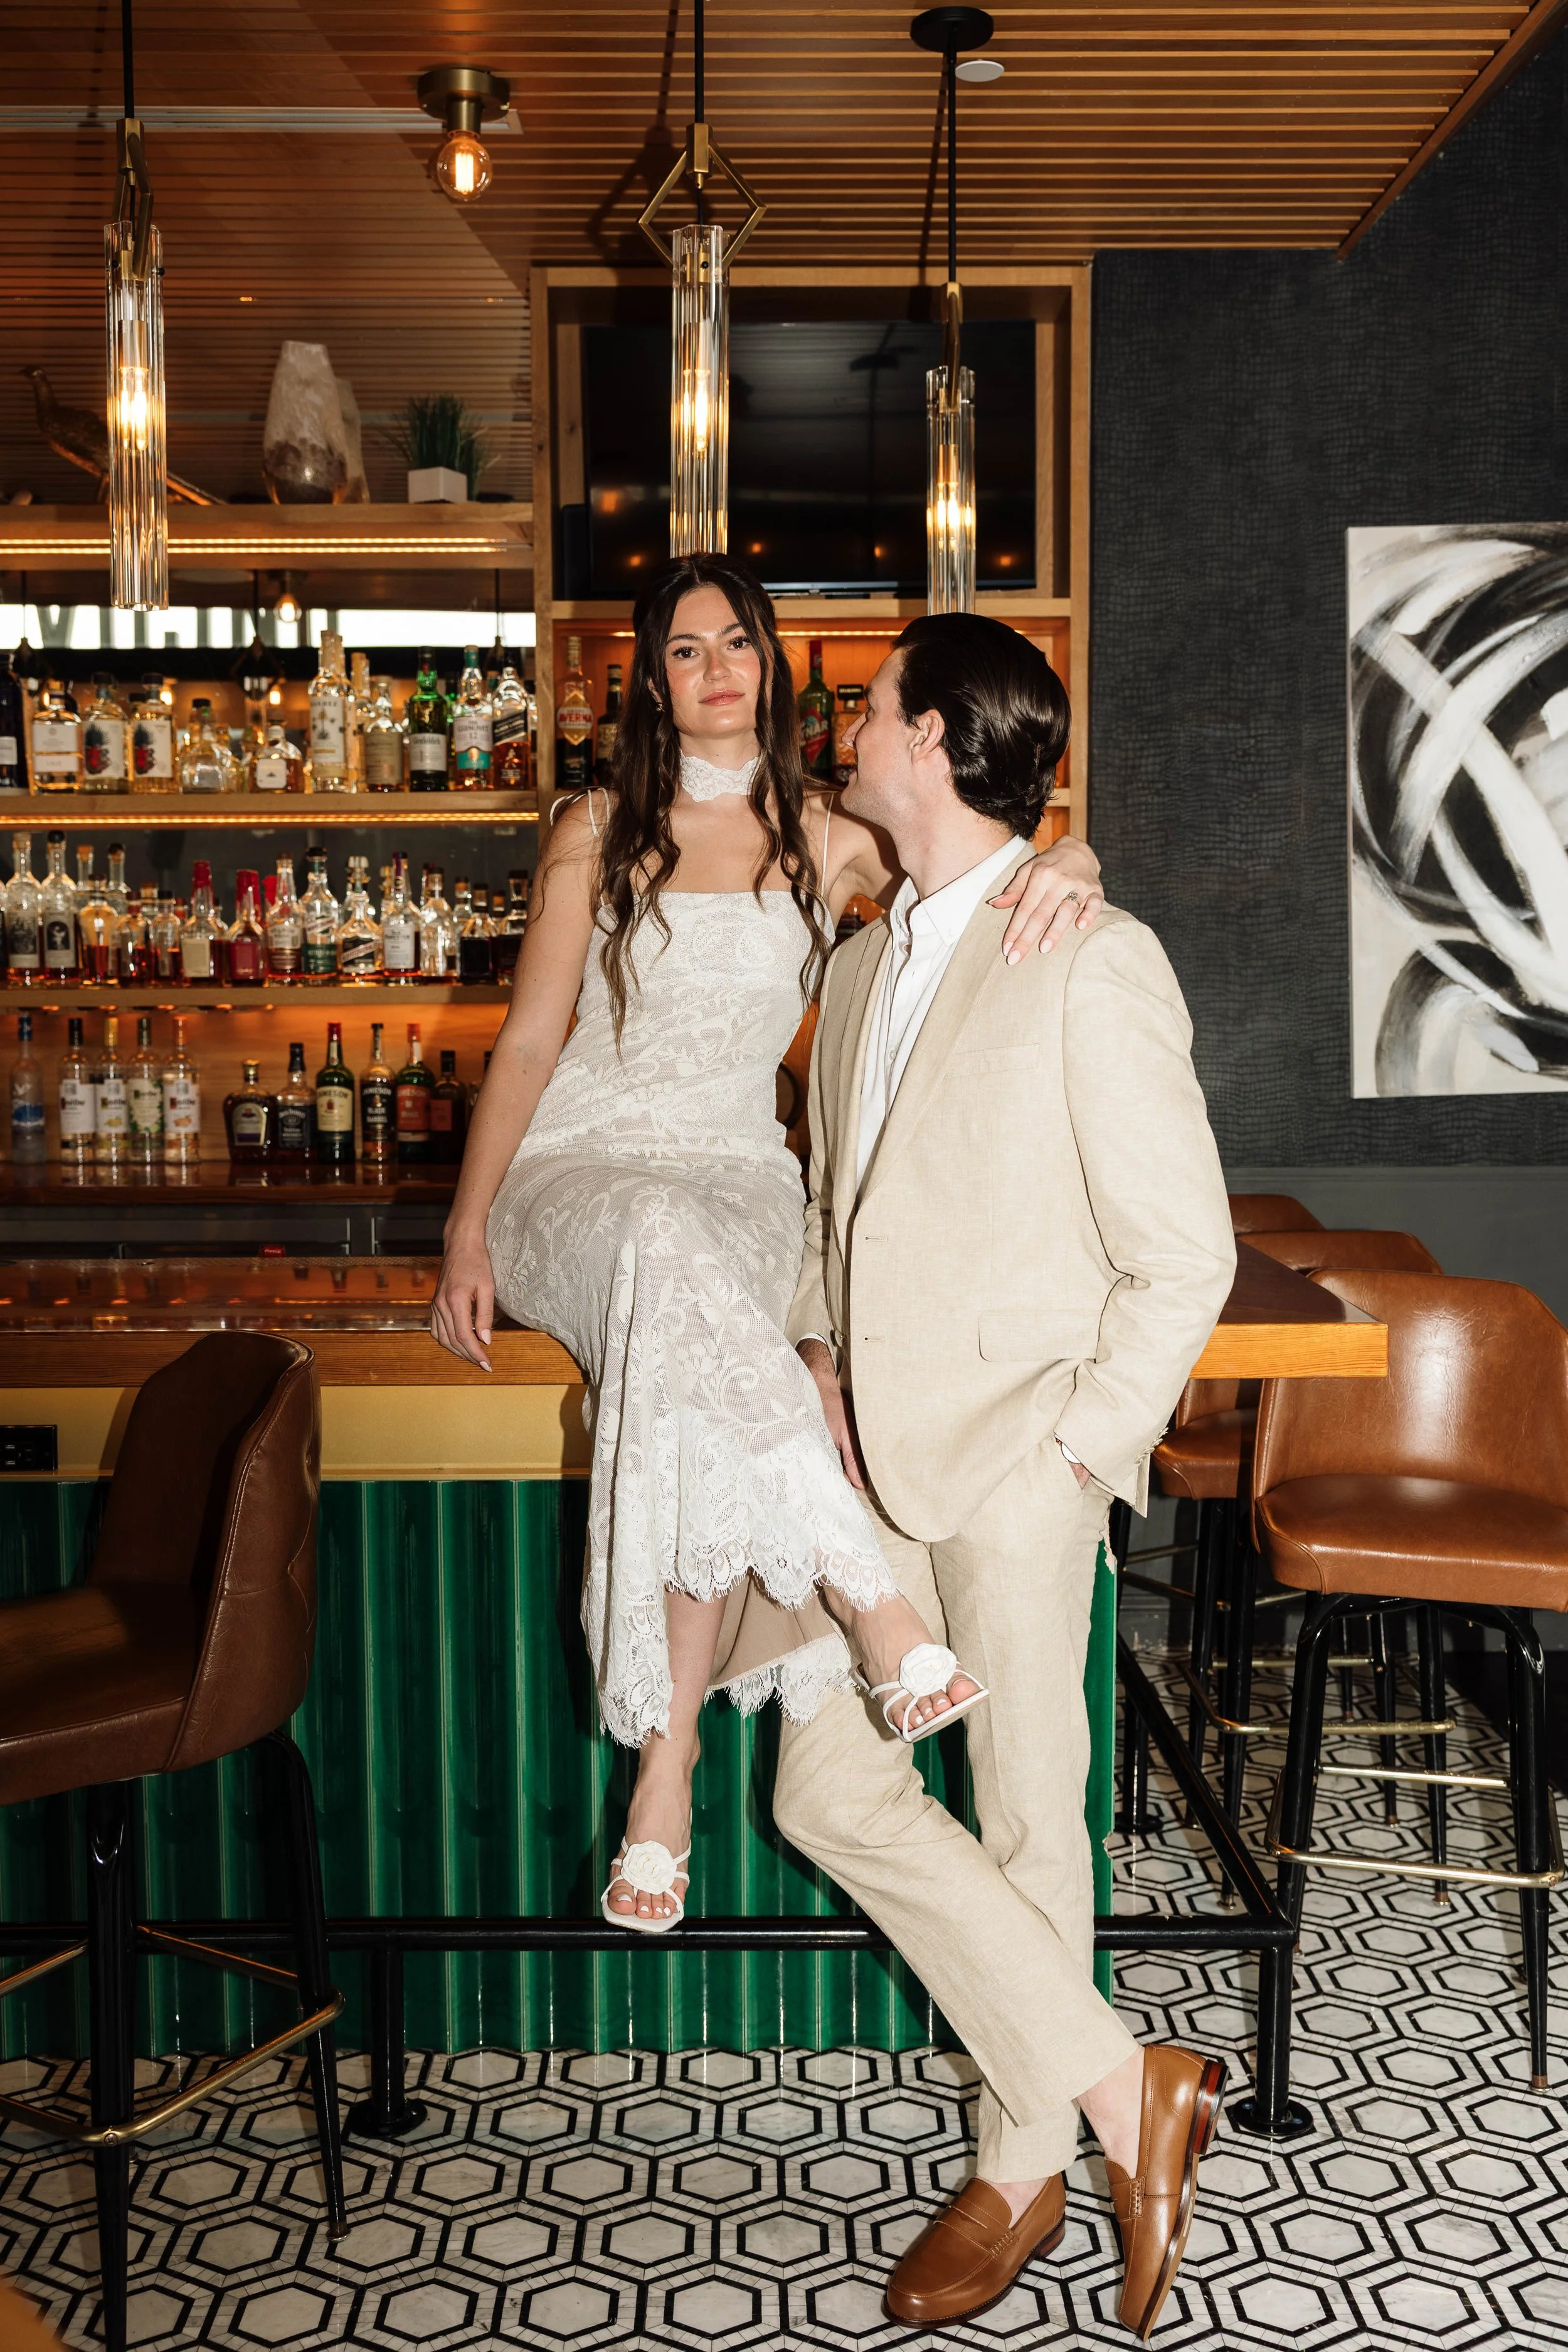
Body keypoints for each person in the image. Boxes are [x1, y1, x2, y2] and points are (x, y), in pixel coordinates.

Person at [428, 554, 1106, 1933]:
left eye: (732, 641)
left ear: (769, 659)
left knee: (685, 1372)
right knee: (664, 1253)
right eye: (682, 652)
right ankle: (867, 1605)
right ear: (650, 680)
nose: (713, 669)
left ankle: (663, 1773)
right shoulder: (592, 826)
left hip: (738, 1183)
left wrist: (1074, 860)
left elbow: (983, 846)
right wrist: (464, 1229)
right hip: (579, 1176)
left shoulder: (831, 834)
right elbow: (532, 1041)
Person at [772, 612, 1237, 2341]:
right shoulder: (851, 957)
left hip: (1019, 1456)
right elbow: (838, 1209)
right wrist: (809, 1359)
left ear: (941, 738)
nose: (850, 722)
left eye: (875, 703)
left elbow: (1179, 1253)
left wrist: (1074, 1444)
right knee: (824, 1789)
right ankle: (1130, 2085)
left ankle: (1018, 2160)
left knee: (1034, 1817)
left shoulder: (1089, 951)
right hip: (856, 1466)